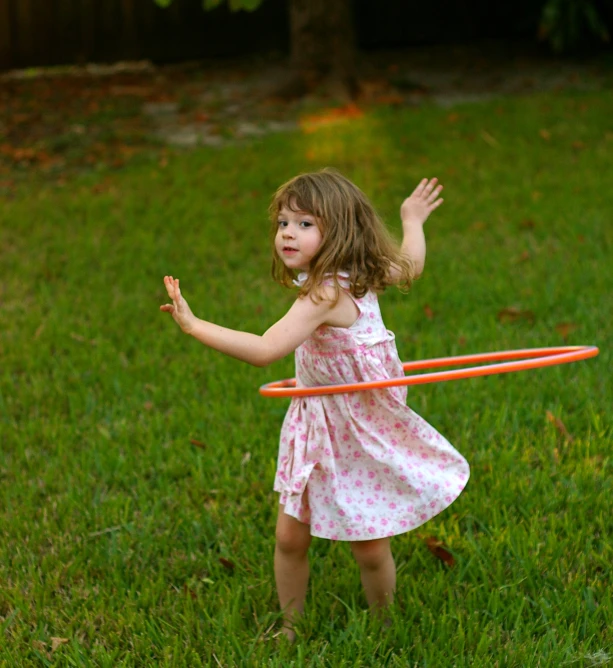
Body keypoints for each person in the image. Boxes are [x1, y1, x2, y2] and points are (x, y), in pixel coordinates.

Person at [160, 168, 469, 641]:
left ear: (340, 232)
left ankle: (385, 628)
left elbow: (266, 350)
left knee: (368, 546)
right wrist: (413, 220)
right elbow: (411, 264)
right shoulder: (338, 279)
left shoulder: (328, 291)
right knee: (289, 536)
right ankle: (290, 625)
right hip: (319, 419)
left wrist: (195, 325)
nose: (288, 232)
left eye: (305, 224)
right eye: (284, 222)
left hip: (360, 431)